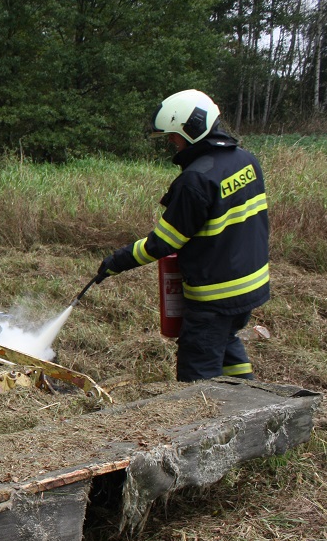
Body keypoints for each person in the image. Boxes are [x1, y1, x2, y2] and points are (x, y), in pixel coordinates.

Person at [96, 89, 270, 382]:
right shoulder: (245, 161)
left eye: (173, 135)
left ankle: (211, 423)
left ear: (192, 130)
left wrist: (116, 261)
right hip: (249, 288)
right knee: (226, 343)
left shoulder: (196, 179)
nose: (170, 143)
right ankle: (249, 399)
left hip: (215, 296)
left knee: (198, 371)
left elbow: (163, 242)